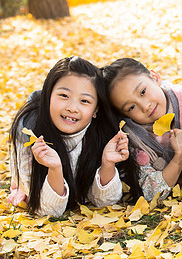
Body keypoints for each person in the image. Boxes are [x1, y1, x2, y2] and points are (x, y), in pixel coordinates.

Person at [8, 56, 128, 217]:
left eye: (84, 101)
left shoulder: (102, 134)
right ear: (48, 96)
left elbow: (106, 202)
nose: (72, 108)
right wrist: (55, 169)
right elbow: (49, 211)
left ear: (96, 110)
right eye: (64, 96)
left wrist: (107, 164)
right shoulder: (27, 135)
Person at [101, 58, 182, 201]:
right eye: (131, 107)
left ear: (155, 77)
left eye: (143, 91)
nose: (145, 106)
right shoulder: (134, 139)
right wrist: (180, 156)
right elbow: (151, 193)